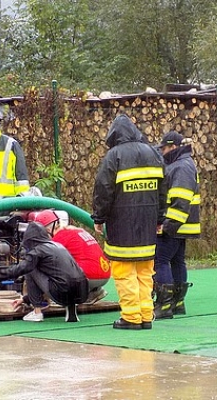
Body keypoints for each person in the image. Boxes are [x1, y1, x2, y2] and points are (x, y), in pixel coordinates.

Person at [91, 114, 166, 330]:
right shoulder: (153, 153)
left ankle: (131, 317)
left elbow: (103, 189)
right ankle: (145, 315)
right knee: (145, 272)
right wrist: (160, 218)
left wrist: (99, 217)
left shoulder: (114, 156)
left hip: (121, 224)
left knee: (124, 273)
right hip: (148, 223)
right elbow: (163, 190)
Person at [0, 222, 89, 323]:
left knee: (30, 268)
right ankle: (71, 309)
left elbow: (22, 268)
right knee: (64, 277)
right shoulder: (58, 246)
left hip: (61, 291)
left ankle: (37, 312)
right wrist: (26, 299)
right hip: (82, 291)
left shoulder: (37, 251)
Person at [153, 131, 200, 319]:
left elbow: (180, 200)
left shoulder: (180, 167)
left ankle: (164, 305)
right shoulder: (183, 164)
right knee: (177, 261)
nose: (162, 152)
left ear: (173, 147)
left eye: (164, 148)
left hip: (175, 225)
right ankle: (177, 303)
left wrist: (167, 226)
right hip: (183, 225)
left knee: (160, 260)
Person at [33, 210, 111, 305]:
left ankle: (64, 297)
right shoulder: (77, 231)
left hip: (89, 276)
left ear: (47, 230)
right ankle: (94, 292)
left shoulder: (59, 238)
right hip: (105, 274)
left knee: (47, 266)